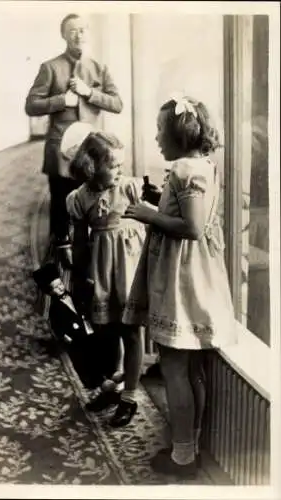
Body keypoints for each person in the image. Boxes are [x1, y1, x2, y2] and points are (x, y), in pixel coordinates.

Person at [122, 93, 237, 479]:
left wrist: (148, 214)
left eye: (159, 131)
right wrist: (161, 201)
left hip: (182, 279)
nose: (155, 138)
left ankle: (183, 457)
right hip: (194, 274)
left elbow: (192, 228)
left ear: (178, 134)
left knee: (175, 369)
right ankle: (190, 446)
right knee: (192, 371)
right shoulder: (201, 164)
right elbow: (191, 214)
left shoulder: (187, 170)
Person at [25, 13, 123, 268]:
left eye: (82, 30)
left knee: (89, 197)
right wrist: (61, 101)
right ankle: (60, 250)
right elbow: (31, 105)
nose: (78, 35)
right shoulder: (50, 67)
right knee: (60, 199)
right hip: (59, 145)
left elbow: (117, 104)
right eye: (72, 31)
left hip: (91, 147)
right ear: (63, 35)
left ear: (88, 33)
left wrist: (88, 92)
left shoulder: (99, 68)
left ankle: (89, 251)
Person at [66, 130, 146, 427]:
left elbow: (146, 227)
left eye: (120, 165)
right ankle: (113, 387)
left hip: (129, 268)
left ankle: (130, 397)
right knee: (107, 331)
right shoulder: (78, 199)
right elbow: (79, 243)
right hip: (101, 270)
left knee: (131, 331)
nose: (119, 171)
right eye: (113, 166)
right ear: (91, 167)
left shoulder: (129, 188)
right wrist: (79, 277)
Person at [32, 262, 120, 390]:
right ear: (50, 292)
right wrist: (67, 339)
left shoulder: (72, 295)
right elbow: (57, 327)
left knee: (103, 342)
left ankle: (111, 372)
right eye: (56, 288)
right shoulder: (55, 309)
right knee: (86, 355)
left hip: (87, 328)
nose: (61, 288)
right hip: (76, 336)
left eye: (60, 284)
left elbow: (82, 304)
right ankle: (100, 381)